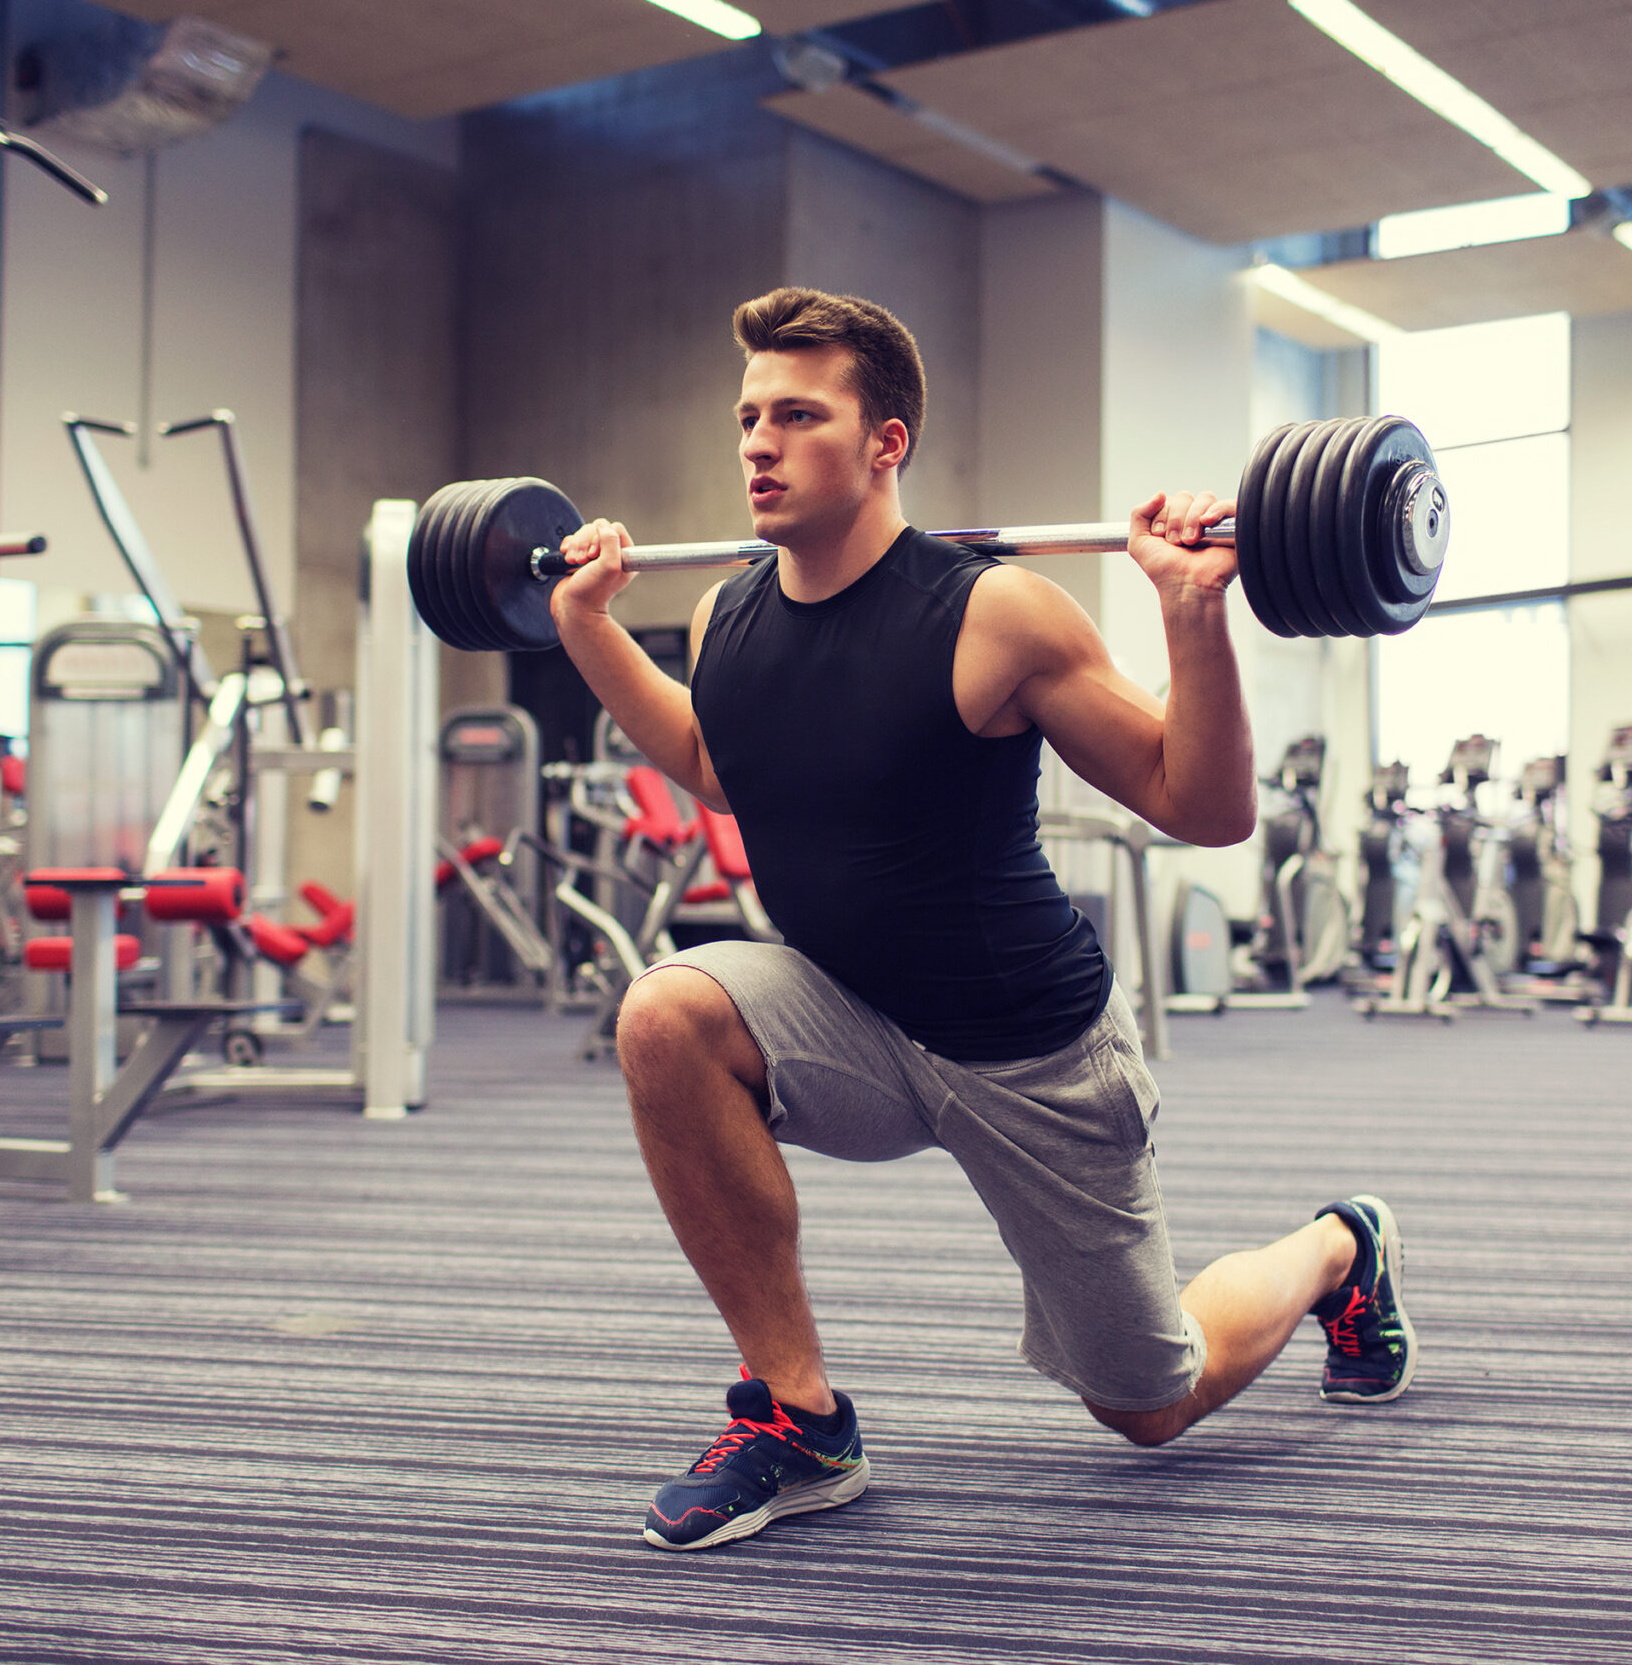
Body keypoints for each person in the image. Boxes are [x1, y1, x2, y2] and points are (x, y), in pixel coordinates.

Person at [548, 287, 1414, 1552]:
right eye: (748, 418)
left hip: (1030, 1054)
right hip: (851, 1017)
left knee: (1152, 1403)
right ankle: (797, 1420)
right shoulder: (733, 612)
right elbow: (716, 764)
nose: (757, 444)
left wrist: (1190, 615)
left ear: (886, 441)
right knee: (667, 1011)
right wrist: (585, 626)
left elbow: (1204, 806)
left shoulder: (994, 611)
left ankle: (1340, 1247)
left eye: (797, 415)